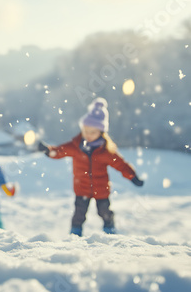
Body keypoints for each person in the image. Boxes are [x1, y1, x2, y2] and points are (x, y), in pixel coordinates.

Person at [38, 97, 144, 236]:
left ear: (101, 132)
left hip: (101, 190)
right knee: (79, 215)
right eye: (85, 131)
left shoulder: (106, 151)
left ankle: (110, 231)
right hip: (81, 188)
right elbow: (59, 151)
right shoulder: (75, 146)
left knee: (104, 212)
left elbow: (121, 165)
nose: (88, 135)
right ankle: (74, 235)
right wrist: (48, 150)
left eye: (92, 132)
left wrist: (133, 177)